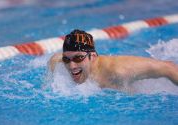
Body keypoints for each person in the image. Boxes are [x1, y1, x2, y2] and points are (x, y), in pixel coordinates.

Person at [48, 29, 178, 90]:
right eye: (67, 59)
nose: (71, 66)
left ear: (92, 56)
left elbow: (168, 67)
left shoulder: (117, 70)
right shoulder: (56, 62)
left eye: (78, 58)